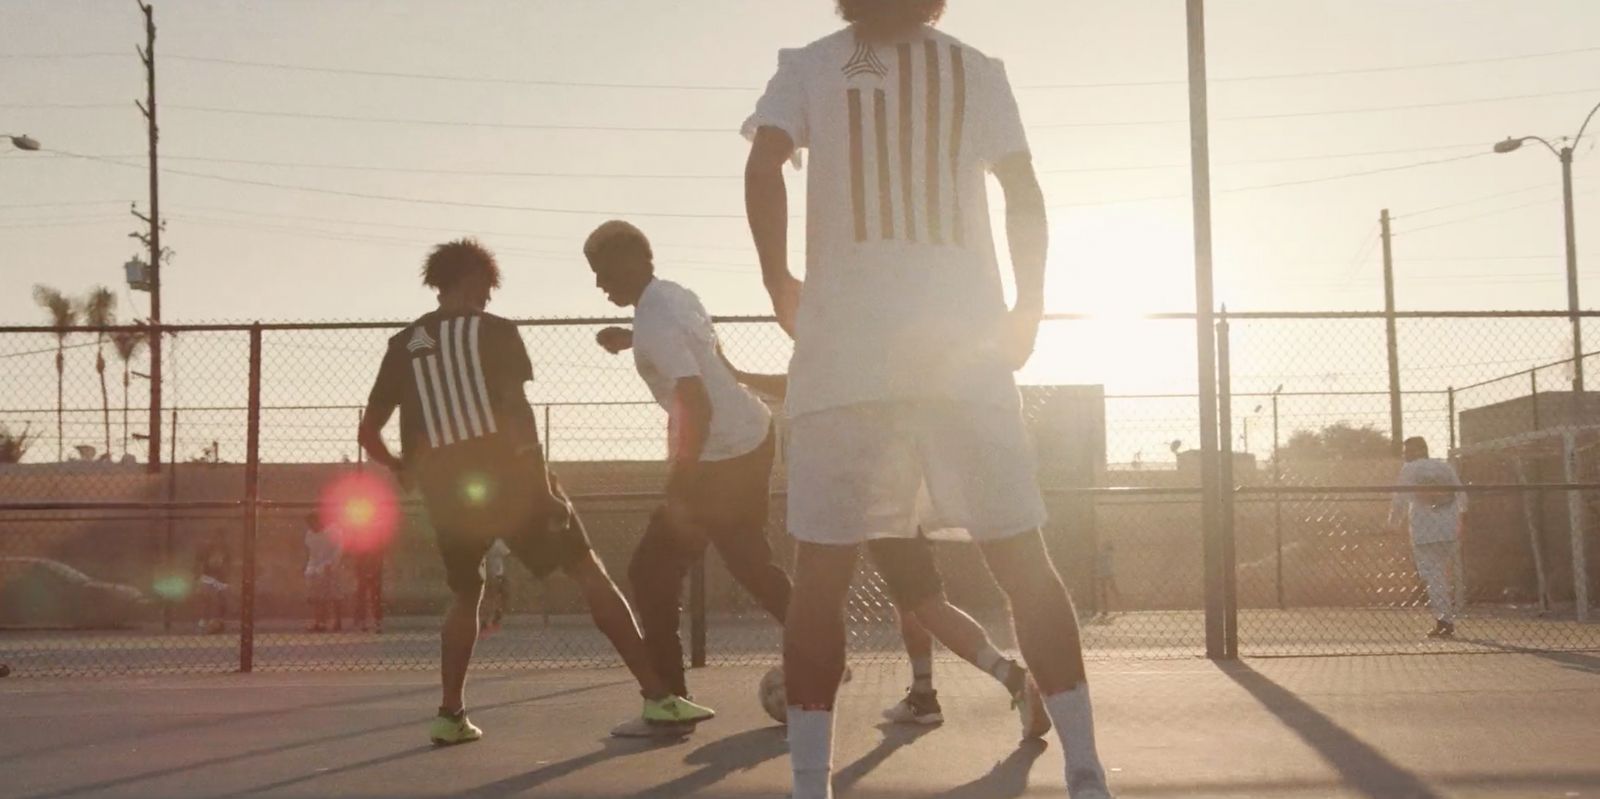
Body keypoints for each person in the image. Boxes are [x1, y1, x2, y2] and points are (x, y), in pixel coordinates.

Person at [743, 2, 1112, 796]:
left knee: (821, 575)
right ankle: (1086, 770)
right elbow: (1023, 190)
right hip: (960, 351)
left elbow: (764, 163)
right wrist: (1029, 305)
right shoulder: (976, 70)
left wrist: (779, 281)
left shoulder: (808, 64)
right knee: (1022, 559)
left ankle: (813, 786)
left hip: (845, 355)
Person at [358, 238, 714, 746]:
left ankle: (450, 714)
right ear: (475, 281)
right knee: (590, 573)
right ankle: (657, 696)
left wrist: (400, 468)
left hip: (447, 492)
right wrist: (540, 485)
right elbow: (517, 416)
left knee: (466, 593)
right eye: (487, 286)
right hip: (513, 483)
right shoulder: (495, 333)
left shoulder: (404, 344)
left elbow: (367, 433)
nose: (488, 296)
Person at [721, 353, 1051, 737]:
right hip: (901, 475)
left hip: (880, 487)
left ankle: (1013, 679)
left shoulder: (842, 336)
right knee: (909, 599)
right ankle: (923, 694)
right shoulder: (880, 334)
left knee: (926, 602)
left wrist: (740, 374)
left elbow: (803, 385)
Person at [587, 220, 793, 738]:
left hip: (718, 455)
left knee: (651, 572)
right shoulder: (675, 297)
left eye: (603, 271)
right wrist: (631, 338)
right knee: (748, 559)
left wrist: (681, 483)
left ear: (634, 260)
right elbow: (697, 353)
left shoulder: (656, 321)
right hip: (752, 435)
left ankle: (668, 702)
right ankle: (819, 645)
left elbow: (695, 405)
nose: (599, 284)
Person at [1387, 436, 1467, 638]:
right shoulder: (1445, 467)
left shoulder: (1410, 469)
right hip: (1448, 527)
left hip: (1424, 530)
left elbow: (1400, 498)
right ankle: (1446, 614)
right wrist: (1461, 517)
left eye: (1406, 451)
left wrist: (1392, 523)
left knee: (1433, 576)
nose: (1404, 455)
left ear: (1413, 451)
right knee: (1442, 573)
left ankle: (1444, 620)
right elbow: (1462, 496)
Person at [347, 527, 386, 634]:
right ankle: (363, 622)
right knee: (362, 597)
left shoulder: (377, 545)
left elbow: (379, 558)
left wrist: (373, 570)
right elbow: (357, 560)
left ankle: (377, 622)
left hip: (374, 572)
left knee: (375, 597)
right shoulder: (360, 545)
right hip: (363, 573)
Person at [192, 531, 231, 635]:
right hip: (208, 576)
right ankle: (203, 623)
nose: (219, 540)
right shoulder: (207, 549)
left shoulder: (226, 549)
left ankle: (219, 623)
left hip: (221, 577)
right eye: (217, 538)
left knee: (222, 600)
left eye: (221, 538)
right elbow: (200, 562)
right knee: (206, 599)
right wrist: (197, 577)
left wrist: (224, 573)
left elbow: (227, 564)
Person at [480, 539, 509, 636]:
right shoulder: (496, 542)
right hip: (495, 575)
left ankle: (492, 618)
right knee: (493, 597)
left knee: (496, 597)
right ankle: (489, 619)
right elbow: (506, 553)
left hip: (494, 574)